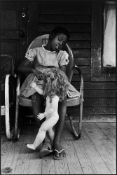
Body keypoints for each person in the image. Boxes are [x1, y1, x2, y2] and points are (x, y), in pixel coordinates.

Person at [18, 26, 80, 159]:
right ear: (51, 36)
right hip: (38, 79)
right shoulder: (36, 51)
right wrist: (34, 70)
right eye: (59, 39)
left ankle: (56, 141)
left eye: (63, 43)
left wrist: (55, 77)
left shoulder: (61, 54)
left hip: (54, 80)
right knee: (36, 96)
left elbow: (63, 72)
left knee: (61, 98)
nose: (60, 44)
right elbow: (21, 67)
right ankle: (48, 139)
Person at [26, 68, 69, 152]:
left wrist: (44, 114)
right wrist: (35, 87)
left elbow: (52, 110)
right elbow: (42, 93)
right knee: (50, 131)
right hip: (49, 117)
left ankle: (34, 145)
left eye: (46, 83)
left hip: (52, 117)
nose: (44, 85)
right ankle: (55, 146)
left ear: (52, 85)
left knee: (42, 129)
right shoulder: (50, 93)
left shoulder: (55, 97)